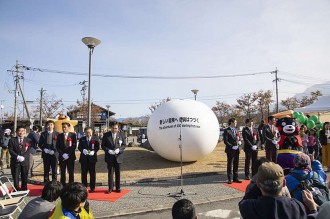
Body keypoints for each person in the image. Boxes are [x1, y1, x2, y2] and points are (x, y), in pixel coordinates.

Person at [239, 162, 306, 219]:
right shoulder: (296, 206)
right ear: (284, 183)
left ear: (258, 184)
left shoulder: (250, 207)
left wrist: (258, 185)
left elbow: (243, 203)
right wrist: (313, 211)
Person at [102, 123, 127, 193]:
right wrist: (108, 150)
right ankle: (110, 188)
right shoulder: (106, 135)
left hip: (118, 157)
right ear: (111, 128)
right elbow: (103, 145)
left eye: (116, 128)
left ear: (118, 128)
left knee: (118, 173)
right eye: (113, 128)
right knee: (110, 173)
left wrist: (119, 149)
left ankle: (118, 188)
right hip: (109, 157)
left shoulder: (121, 135)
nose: (114, 130)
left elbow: (124, 145)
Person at [8, 126, 32, 190]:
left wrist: (23, 157)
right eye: (19, 131)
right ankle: (16, 189)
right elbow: (10, 150)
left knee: (24, 176)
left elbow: (29, 150)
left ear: (24, 132)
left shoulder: (28, 140)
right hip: (15, 161)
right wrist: (17, 156)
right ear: (16, 132)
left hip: (25, 161)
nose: (21, 132)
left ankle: (24, 189)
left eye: (22, 131)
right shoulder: (12, 140)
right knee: (15, 177)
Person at [78, 127, 100, 192]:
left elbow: (98, 146)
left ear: (92, 132)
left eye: (89, 132)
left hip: (92, 159)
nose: (88, 134)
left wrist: (94, 151)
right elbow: (79, 147)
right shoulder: (82, 139)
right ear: (85, 132)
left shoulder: (95, 138)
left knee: (92, 174)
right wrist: (83, 150)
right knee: (84, 174)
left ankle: (92, 187)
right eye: (87, 132)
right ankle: (84, 187)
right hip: (84, 159)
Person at [223, 118, 242, 184]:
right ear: (231, 122)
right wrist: (231, 146)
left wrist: (239, 142)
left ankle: (235, 178)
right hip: (230, 150)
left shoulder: (236, 130)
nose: (236, 123)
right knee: (230, 164)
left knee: (236, 164)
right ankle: (229, 178)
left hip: (237, 149)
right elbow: (225, 141)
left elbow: (239, 138)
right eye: (235, 122)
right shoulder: (227, 130)